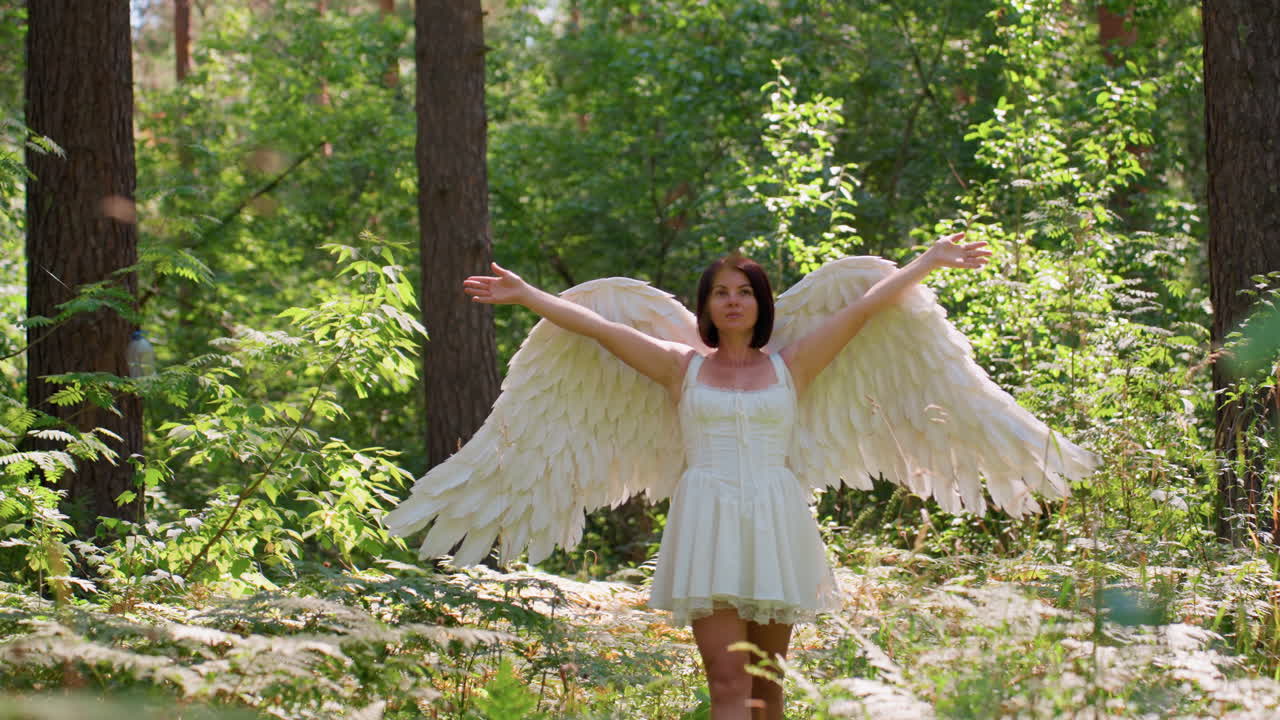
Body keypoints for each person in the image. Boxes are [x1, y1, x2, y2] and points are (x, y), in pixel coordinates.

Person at [462, 233, 991, 720]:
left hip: (774, 518)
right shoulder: (679, 366)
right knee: (727, 680)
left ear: (761, 304)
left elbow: (864, 308)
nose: (733, 300)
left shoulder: (793, 365)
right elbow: (601, 328)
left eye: (744, 292)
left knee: (769, 686)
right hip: (707, 519)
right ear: (707, 306)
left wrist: (928, 260)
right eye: (720, 292)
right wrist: (528, 293)